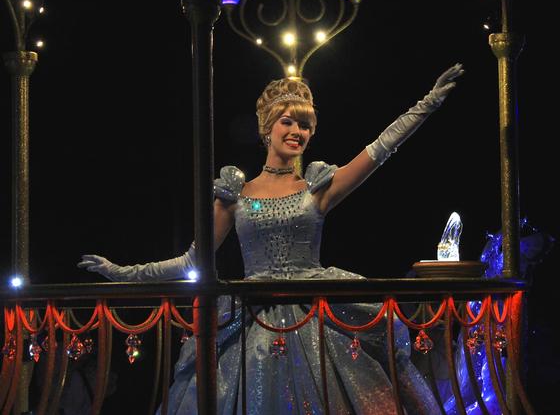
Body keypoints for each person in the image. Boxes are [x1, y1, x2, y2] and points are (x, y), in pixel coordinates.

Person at [78, 63, 464, 414]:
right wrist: (122, 272)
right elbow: (193, 261)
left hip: (315, 316)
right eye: (288, 122)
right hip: (253, 322)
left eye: (305, 125)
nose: (298, 132)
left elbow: (379, 150)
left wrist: (427, 104)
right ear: (267, 128)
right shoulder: (236, 194)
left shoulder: (317, 189)